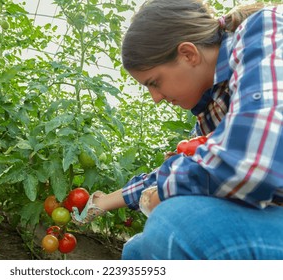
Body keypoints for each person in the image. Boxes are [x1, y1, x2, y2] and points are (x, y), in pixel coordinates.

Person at [72, 0, 283, 259]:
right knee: (137, 250)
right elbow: (196, 169)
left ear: (188, 54)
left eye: (154, 82)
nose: (155, 98)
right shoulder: (212, 109)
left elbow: (251, 162)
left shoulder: (265, 33)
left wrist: (163, 191)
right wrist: (102, 203)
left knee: (173, 226)